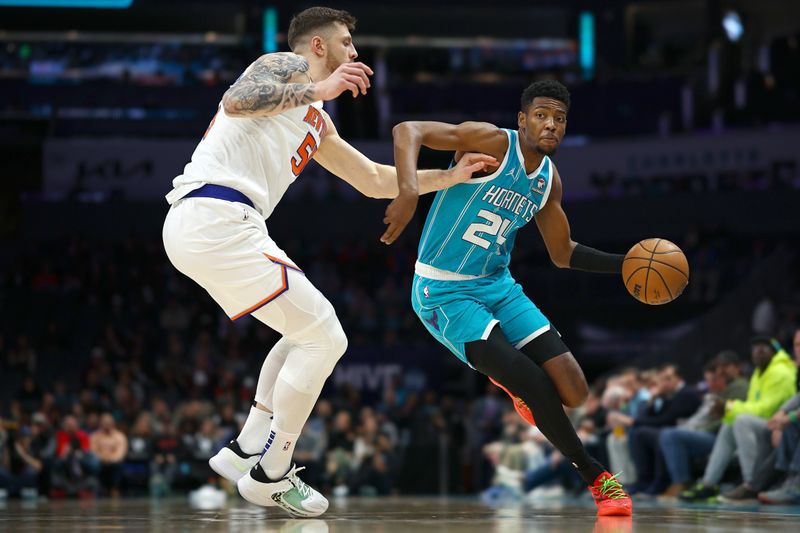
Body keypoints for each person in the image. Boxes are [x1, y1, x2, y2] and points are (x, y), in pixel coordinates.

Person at [161, 6, 495, 517]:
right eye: (345, 42)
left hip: (218, 225)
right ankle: (271, 473)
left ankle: (247, 447)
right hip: (215, 213)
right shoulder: (283, 66)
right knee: (327, 335)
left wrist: (452, 177)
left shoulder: (317, 122)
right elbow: (237, 100)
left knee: (303, 335)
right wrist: (321, 88)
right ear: (318, 47)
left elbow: (375, 181)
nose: (354, 52)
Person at [391, 80, 637, 516]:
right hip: (443, 290)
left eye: (560, 118)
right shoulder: (491, 142)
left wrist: (629, 264)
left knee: (576, 391)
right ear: (522, 120)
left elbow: (563, 255)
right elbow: (408, 129)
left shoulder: (548, 182)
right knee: (534, 382)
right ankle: (595, 476)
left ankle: (520, 388)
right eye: (541, 114)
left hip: (499, 285)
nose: (551, 124)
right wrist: (409, 190)